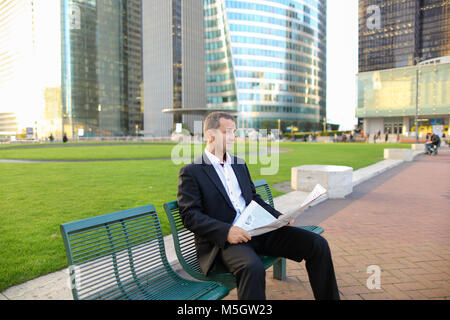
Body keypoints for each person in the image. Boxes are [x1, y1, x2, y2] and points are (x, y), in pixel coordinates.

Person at [177, 112, 340, 300]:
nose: (233, 137)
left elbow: (252, 197)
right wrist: (227, 231)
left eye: (234, 132)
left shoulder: (238, 164)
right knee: (252, 268)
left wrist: (278, 217)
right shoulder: (192, 171)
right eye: (227, 132)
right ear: (210, 135)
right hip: (226, 242)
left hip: (258, 230)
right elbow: (190, 215)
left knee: (317, 244)